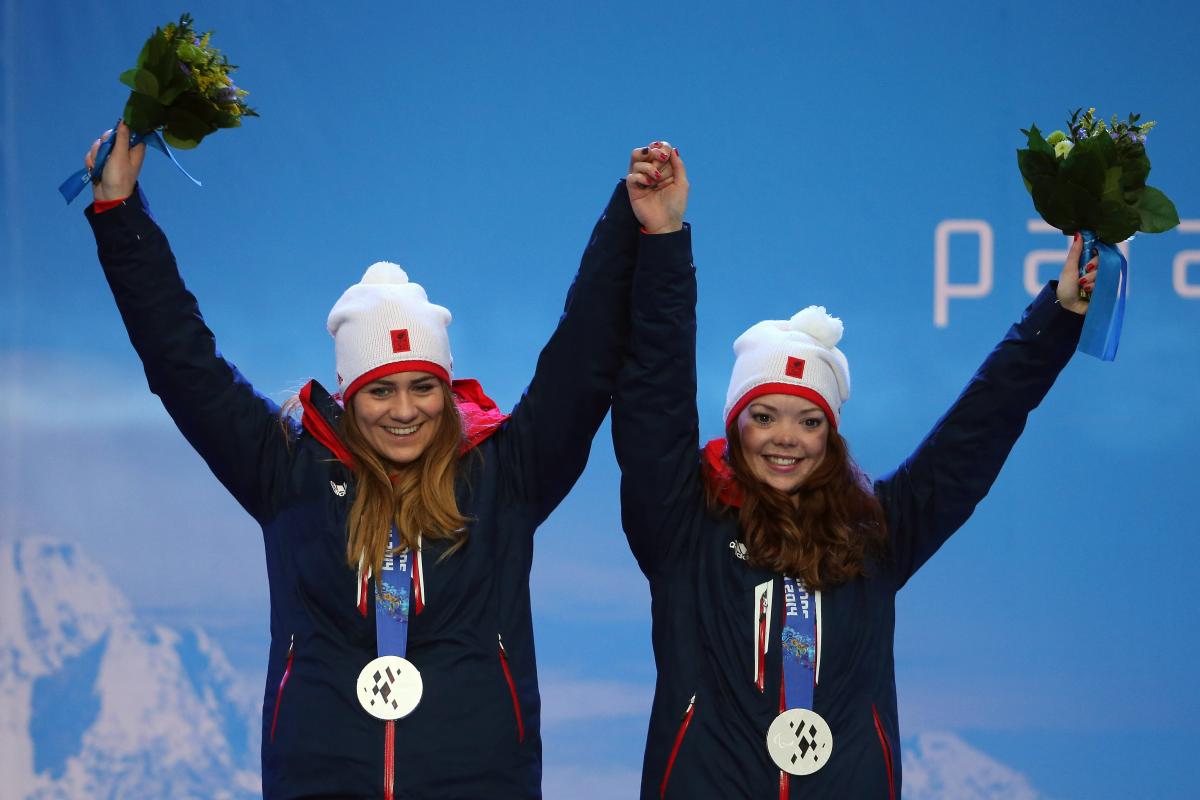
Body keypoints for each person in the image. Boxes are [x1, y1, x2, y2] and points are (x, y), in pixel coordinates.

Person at [81, 123, 673, 799]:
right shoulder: (287, 474)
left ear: (447, 390)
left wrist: (628, 217)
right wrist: (119, 211)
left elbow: (585, 351)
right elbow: (181, 361)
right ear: (348, 395)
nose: (404, 410)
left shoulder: (505, 474)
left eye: (423, 386)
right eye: (380, 391)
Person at [612, 148, 1096, 798]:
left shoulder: (877, 532)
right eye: (764, 416)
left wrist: (1058, 316)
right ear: (734, 424)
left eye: (809, 422)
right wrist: (664, 241)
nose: (787, 438)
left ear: (832, 435)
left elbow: (977, 430)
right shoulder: (680, 524)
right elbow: (655, 394)